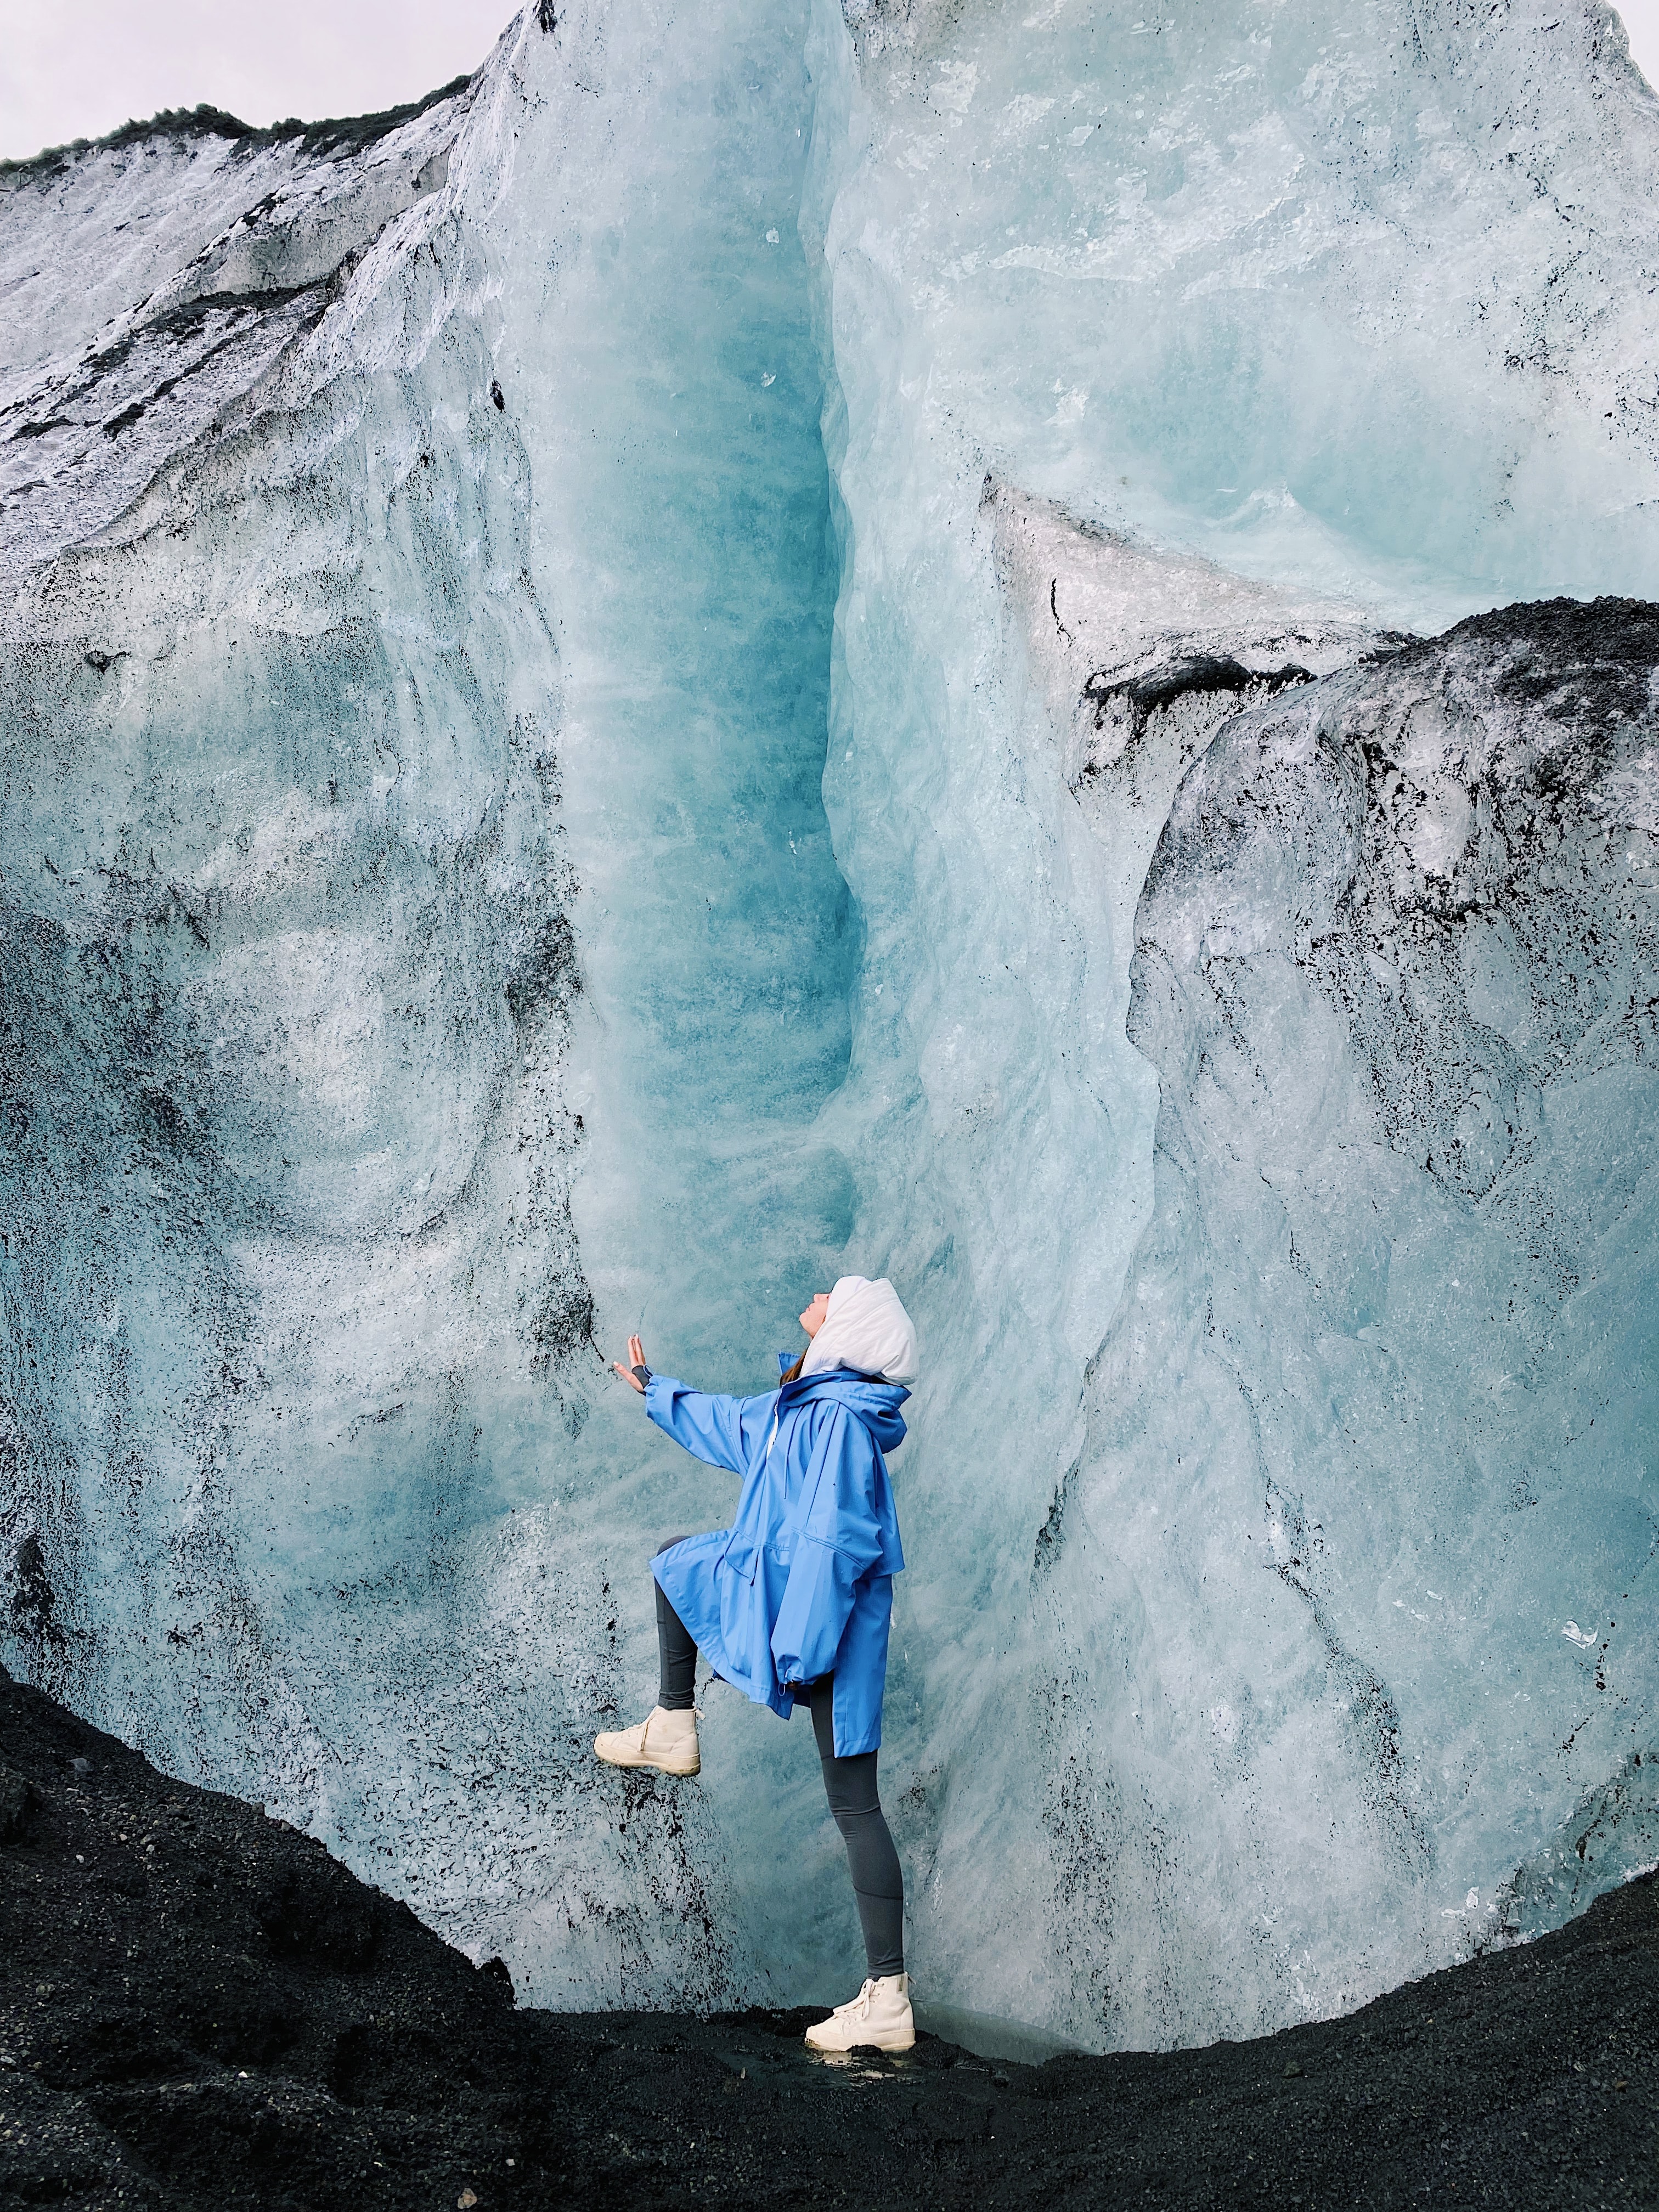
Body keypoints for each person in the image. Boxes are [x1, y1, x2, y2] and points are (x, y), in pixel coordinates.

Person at [595, 1274, 919, 2055]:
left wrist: (801, 1646)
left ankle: (888, 1997)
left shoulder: (836, 1422)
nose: (812, 1297)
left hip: (823, 1625)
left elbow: (835, 1543)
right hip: (804, 1614)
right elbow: (732, 1427)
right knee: (677, 1561)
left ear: (847, 1328)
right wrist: (655, 1389)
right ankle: (673, 1723)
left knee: (855, 1806)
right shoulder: (807, 1407)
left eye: (829, 1297)